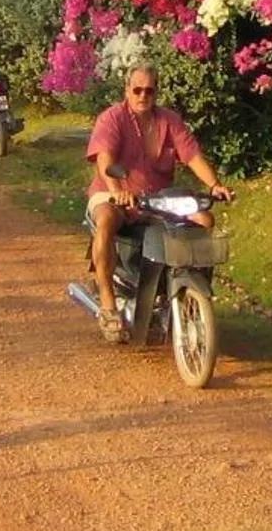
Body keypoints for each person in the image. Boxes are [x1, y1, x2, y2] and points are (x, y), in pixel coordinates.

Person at [84, 63, 231, 343]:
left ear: (156, 93)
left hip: (158, 199)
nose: (142, 96)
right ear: (127, 90)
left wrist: (215, 185)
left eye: (149, 91)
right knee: (105, 221)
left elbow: (192, 156)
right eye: (137, 90)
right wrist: (117, 190)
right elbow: (105, 160)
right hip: (114, 193)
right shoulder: (112, 119)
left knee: (204, 220)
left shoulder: (169, 121)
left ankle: (191, 294)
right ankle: (108, 305)